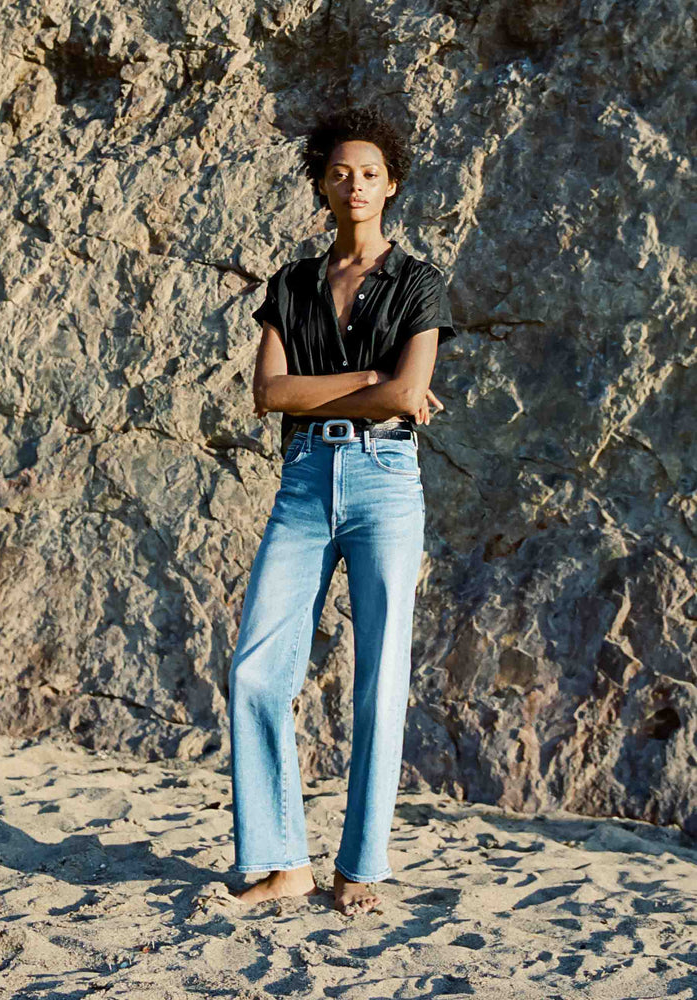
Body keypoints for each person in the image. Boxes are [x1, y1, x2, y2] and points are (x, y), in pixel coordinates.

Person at [227, 105, 456, 915]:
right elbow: (270, 394)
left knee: (379, 677)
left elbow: (407, 392)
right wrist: (366, 382)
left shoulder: (419, 282)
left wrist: (373, 389)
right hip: (302, 478)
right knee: (255, 671)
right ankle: (283, 862)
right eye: (338, 172)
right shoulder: (290, 285)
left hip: (386, 481)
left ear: (390, 185)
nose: (353, 185)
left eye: (369, 173)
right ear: (320, 183)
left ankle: (360, 867)